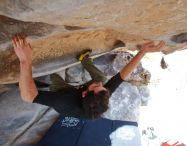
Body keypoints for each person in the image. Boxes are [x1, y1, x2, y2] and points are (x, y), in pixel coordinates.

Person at [12, 34, 165, 119]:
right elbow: (122, 76)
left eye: (96, 86)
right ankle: (82, 60)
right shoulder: (100, 96)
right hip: (81, 97)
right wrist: (143, 51)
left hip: (63, 93)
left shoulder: (65, 101)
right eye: (102, 88)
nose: (98, 84)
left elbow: (28, 96)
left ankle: (39, 82)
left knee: (55, 78)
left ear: (85, 93)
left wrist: (25, 60)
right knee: (104, 80)